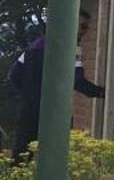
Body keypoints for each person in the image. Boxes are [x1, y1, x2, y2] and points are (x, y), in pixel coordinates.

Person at [9, 11, 106, 162]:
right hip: (54, 110)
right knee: (56, 154)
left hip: (28, 107)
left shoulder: (36, 45)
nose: (86, 31)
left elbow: (14, 74)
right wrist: (100, 92)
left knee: (22, 151)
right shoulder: (70, 47)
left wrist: (28, 94)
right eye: (83, 26)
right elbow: (77, 80)